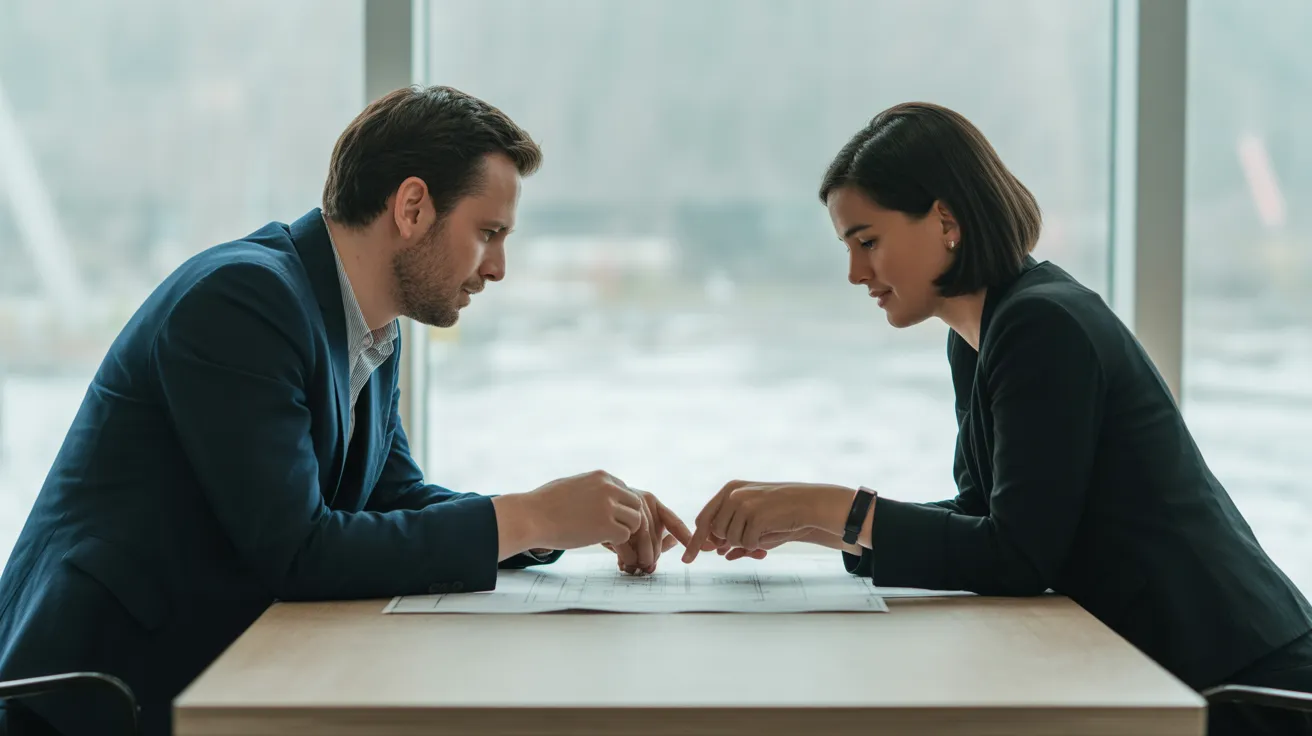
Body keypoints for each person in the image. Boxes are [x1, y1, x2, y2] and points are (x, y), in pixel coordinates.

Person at [0, 85, 690, 736]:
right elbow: (298, 551)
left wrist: (554, 525)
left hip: (210, 667)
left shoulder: (365, 328)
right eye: (489, 232)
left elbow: (395, 497)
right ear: (413, 206)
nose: (498, 267)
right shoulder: (244, 301)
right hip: (96, 695)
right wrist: (528, 517)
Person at [682, 102, 1312, 735]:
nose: (854, 273)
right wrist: (819, 526)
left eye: (867, 242)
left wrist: (833, 508)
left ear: (946, 220)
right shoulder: (982, 331)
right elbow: (985, 514)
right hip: (1178, 671)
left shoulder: (1042, 325)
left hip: (1242, 684)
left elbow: (1016, 558)